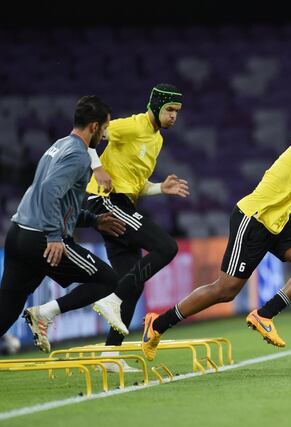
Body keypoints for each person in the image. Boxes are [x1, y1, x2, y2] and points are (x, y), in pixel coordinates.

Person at [140, 102, 291, 361]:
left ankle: (264, 314)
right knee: (224, 290)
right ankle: (156, 325)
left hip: (277, 221)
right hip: (255, 218)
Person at [0, 96, 126, 352]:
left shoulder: (58, 146)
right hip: (42, 240)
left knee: (6, 309)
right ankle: (43, 314)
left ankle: (38, 314)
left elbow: (60, 202)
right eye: (105, 128)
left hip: (19, 235)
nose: (105, 134)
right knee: (107, 280)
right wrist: (55, 237)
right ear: (93, 127)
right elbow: (49, 192)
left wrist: (92, 220)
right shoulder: (79, 156)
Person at [83, 84, 189, 370]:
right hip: (106, 201)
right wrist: (97, 168)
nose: (173, 116)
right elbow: (88, 133)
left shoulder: (156, 141)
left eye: (177, 112)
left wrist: (159, 189)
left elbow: (136, 185)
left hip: (123, 201)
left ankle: (109, 357)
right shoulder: (132, 125)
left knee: (134, 284)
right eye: (169, 110)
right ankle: (112, 299)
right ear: (155, 106)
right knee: (167, 247)